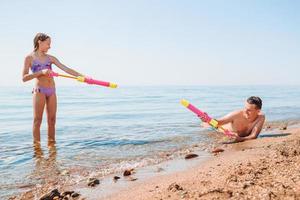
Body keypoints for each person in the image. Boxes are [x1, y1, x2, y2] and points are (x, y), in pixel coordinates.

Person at [22, 33, 84, 144]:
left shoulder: (50, 58)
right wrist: (41, 72)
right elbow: (24, 78)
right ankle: (37, 148)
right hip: (39, 91)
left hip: (52, 91)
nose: (49, 46)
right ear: (39, 42)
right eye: (48, 44)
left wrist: (83, 76)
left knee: (52, 120)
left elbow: (66, 69)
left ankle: (52, 146)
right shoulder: (29, 58)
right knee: (38, 120)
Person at [200, 96, 265, 142]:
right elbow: (218, 123)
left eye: (249, 110)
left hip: (235, 135)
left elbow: (254, 136)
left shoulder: (260, 117)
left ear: (258, 111)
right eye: (245, 108)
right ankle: (205, 123)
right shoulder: (236, 115)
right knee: (206, 125)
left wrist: (240, 139)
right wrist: (208, 120)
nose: (245, 111)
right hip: (218, 128)